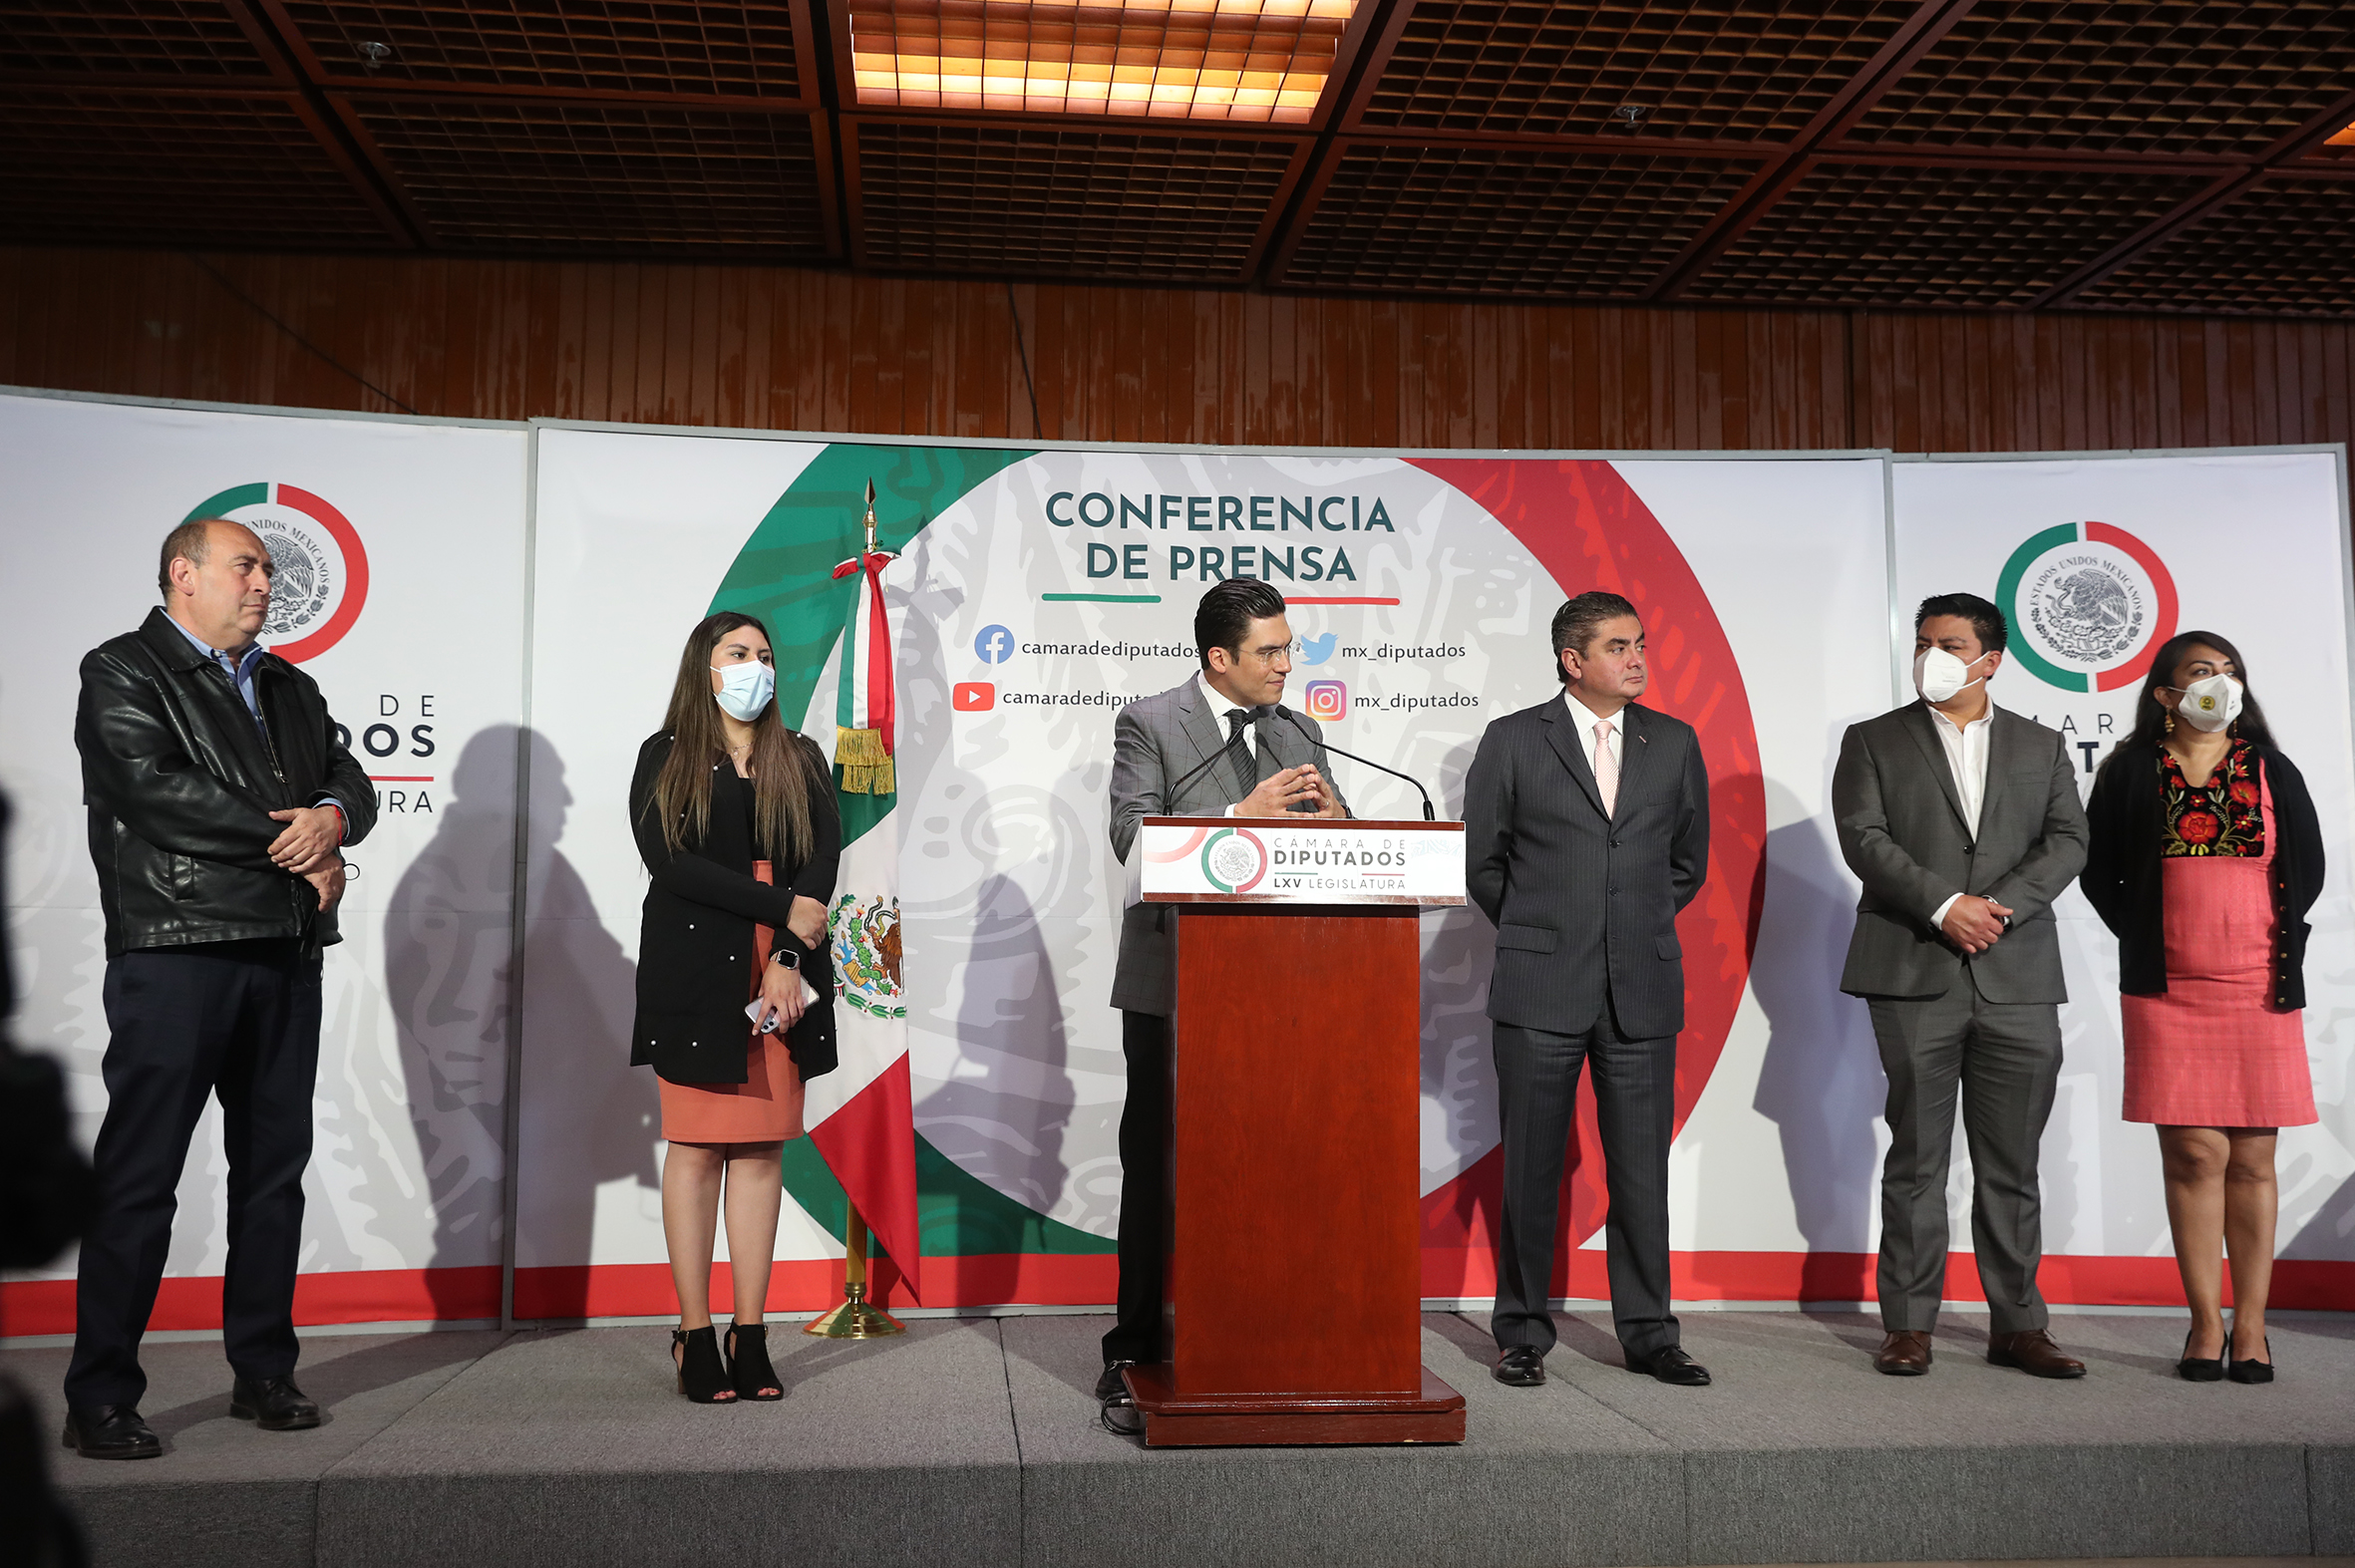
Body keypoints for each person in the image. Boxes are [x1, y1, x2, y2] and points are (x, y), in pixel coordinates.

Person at [63, 518, 374, 1459]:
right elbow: (157, 791)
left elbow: (348, 778)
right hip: (177, 951)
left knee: (273, 1176)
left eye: (269, 568)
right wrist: (299, 845)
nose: (264, 582)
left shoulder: (289, 684)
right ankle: (99, 1395)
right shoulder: (122, 669)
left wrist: (331, 818)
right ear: (183, 573)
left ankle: (264, 1371)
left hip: (285, 953)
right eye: (246, 565)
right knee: (141, 1177)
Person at [1099, 578, 1347, 1416]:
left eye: (1288, 648)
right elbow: (1134, 837)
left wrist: (1336, 822)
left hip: (1284, 983)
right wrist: (1241, 811)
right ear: (1218, 657)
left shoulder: (1298, 730)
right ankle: (1136, 1340)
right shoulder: (1150, 722)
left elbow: (1337, 838)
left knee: (1274, 1157)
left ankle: (1263, 1327)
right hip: (1175, 978)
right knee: (1159, 1161)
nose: (1286, 665)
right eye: (1269, 652)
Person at [1833, 592, 2088, 1379]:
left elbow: (2069, 840)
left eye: (1949, 644)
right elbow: (1864, 837)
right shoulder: (1874, 739)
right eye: (1922, 643)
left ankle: (2019, 1324)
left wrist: (1995, 909)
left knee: (2012, 1163)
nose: (1931, 658)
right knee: (1917, 1158)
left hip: (2018, 975)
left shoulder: (2042, 744)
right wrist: (1946, 906)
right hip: (1914, 969)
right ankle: (1909, 1324)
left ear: (1991, 660)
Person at [1463, 591, 1712, 1389]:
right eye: (1617, 646)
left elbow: (1686, 863)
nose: (1636, 659)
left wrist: (1624, 926)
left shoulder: (1674, 741)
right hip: (1540, 984)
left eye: (1640, 644)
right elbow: (1483, 864)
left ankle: (1650, 1334)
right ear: (1573, 660)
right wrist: (1546, 928)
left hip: (1641, 986)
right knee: (1531, 1169)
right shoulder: (1513, 740)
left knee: (1641, 1173)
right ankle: (1521, 1332)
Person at [2082, 632, 2320, 1385]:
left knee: (2251, 1159)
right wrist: (2152, 937)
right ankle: (2204, 1322)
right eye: (2202, 672)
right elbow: (2098, 873)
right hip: (2169, 990)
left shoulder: (2272, 768)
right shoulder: (2129, 771)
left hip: (2259, 985)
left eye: (2230, 671)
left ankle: (2251, 1326)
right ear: (2166, 693)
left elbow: (2308, 870)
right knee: (2193, 1155)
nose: (2221, 682)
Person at [630, 611, 840, 1404]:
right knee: (696, 1146)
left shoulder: (800, 755)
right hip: (695, 964)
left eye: (765, 655)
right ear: (705, 666)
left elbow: (821, 859)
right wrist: (779, 906)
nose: (757, 665)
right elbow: (670, 862)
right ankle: (694, 1330)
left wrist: (786, 953)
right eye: (738, 653)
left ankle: (749, 1333)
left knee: (759, 1148)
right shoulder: (667, 754)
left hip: (782, 962)